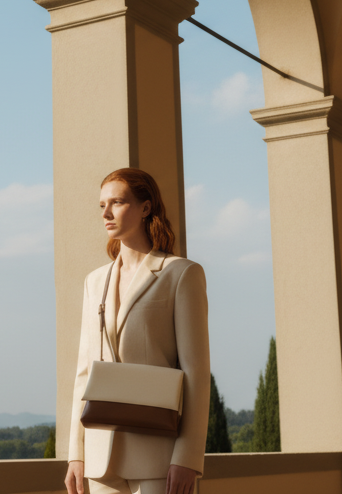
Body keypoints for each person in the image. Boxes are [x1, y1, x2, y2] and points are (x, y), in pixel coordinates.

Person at [65, 168, 210, 494]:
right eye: (102, 204)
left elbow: (196, 373)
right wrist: (76, 453)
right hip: (101, 459)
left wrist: (187, 457)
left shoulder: (181, 274)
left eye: (117, 202)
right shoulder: (95, 281)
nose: (106, 213)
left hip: (159, 455)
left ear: (146, 208)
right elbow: (83, 373)